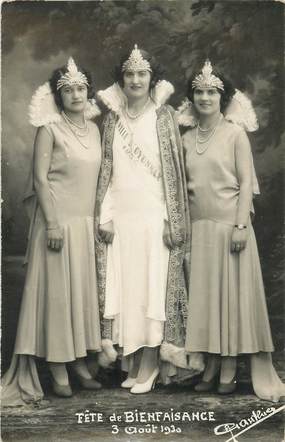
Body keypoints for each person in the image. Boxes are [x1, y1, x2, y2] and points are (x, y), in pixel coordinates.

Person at [95, 45, 203, 394]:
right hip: (123, 219)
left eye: (143, 74)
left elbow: (173, 172)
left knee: (152, 290)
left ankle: (153, 364)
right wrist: (106, 216)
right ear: (122, 79)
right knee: (129, 291)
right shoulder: (112, 119)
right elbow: (107, 173)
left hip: (154, 217)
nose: (136, 80)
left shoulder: (164, 116)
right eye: (130, 74)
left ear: (151, 79)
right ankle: (135, 361)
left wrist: (173, 220)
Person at [179, 60, 285, 401]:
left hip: (230, 227)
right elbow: (179, 189)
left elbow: (246, 183)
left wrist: (241, 225)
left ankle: (227, 367)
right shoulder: (186, 138)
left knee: (230, 298)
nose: (205, 97)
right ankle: (208, 366)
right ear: (191, 96)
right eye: (199, 91)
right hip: (199, 229)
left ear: (222, 97)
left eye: (212, 92)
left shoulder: (235, 133)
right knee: (206, 299)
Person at [2, 58, 103, 405]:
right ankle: (59, 368)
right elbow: (40, 179)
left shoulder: (94, 128)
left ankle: (78, 364)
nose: (76, 94)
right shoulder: (49, 129)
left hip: (85, 223)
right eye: (68, 90)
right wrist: (54, 223)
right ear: (58, 96)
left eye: (80, 87)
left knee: (78, 294)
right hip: (57, 222)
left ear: (88, 91)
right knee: (59, 295)